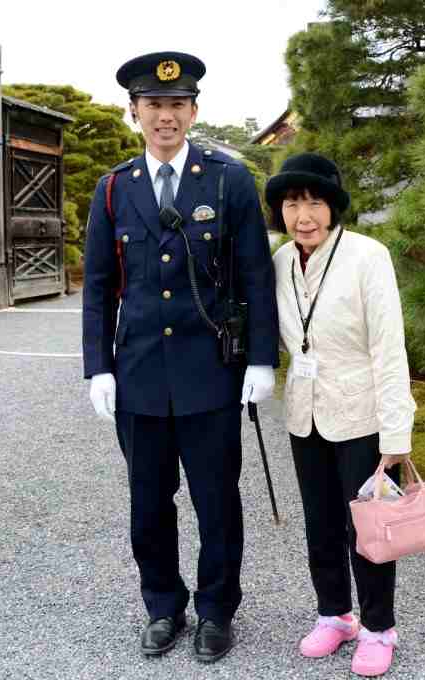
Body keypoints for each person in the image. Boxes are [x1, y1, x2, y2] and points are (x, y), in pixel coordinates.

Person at [81, 51, 278, 664]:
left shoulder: (226, 180)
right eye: (153, 105)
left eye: (176, 105)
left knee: (216, 501)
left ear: (193, 111)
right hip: (139, 375)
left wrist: (261, 359)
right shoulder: (113, 189)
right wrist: (99, 367)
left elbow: (254, 274)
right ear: (134, 111)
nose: (164, 116)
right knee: (148, 503)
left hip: (210, 373)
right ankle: (163, 605)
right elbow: (97, 286)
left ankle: (217, 610)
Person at [266, 153, 417, 677]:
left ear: (332, 206)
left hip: (363, 415)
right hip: (304, 412)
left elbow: (389, 349)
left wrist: (396, 432)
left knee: (370, 529)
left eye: (314, 202)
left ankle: (379, 628)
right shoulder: (280, 262)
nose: (303, 216)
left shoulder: (367, 255)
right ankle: (334, 614)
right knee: (320, 523)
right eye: (292, 204)